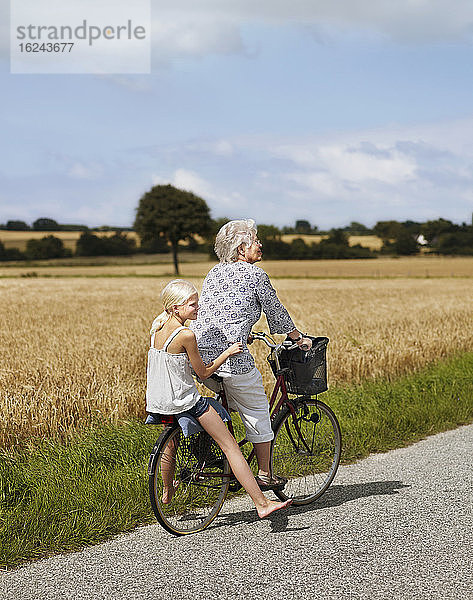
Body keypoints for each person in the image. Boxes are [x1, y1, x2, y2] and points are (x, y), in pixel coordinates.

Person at [146, 278, 292, 519]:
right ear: (176, 308)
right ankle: (262, 503)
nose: (198, 308)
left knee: (169, 447)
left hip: (160, 402)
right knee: (230, 447)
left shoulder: (157, 329)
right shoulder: (185, 335)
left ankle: (167, 491)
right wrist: (228, 351)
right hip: (186, 402)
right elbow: (203, 372)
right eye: (192, 305)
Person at [190, 219, 312, 489]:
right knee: (256, 411)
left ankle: (216, 448)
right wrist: (297, 337)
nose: (260, 244)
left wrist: (243, 332)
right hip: (231, 359)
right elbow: (276, 311)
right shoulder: (255, 275)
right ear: (241, 248)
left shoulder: (214, 272)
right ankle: (265, 475)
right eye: (255, 240)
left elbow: (218, 312)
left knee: (231, 401)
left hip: (200, 356)